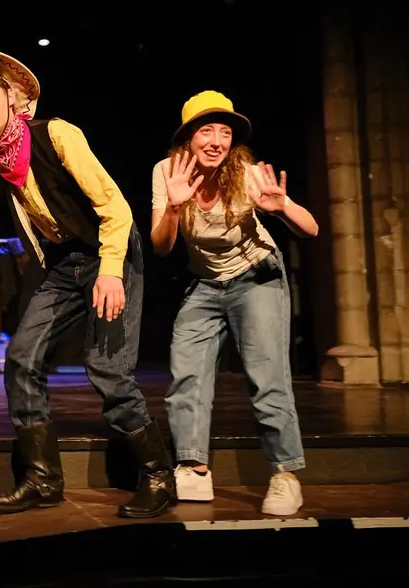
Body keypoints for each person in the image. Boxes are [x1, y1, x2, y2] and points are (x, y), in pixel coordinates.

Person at [0, 51, 176, 518]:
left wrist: (111, 271)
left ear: (11, 97)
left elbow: (115, 208)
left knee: (108, 370)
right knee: (21, 360)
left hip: (109, 250)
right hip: (65, 264)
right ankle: (42, 478)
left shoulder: (56, 134)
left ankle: (158, 476)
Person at [150, 91, 319, 516]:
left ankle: (285, 475)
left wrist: (281, 209)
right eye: (206, 131)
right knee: (186, 373)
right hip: (205, 283)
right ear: (187, 138)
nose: (216, 141)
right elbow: (161, 246)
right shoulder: (167, 172)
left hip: (256, 277)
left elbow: (312, 229)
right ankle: (193, 467)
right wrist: (173, 208)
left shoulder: (246, 174)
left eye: (224, 133)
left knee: (267, 376)